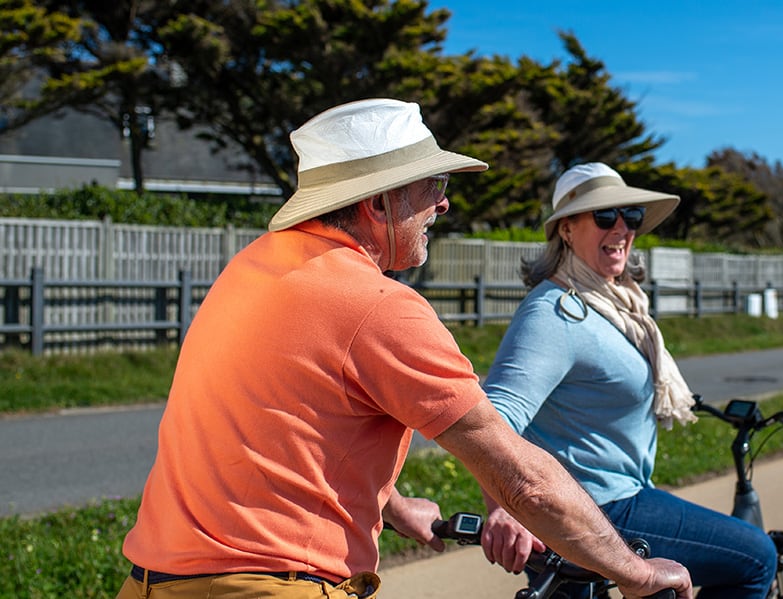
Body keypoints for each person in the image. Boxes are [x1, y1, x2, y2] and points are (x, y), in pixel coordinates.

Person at [114, 100, 692, 599]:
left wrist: (389, 503)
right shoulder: (377, 305)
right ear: (380, 204)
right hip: (270, 584)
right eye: (432, 187)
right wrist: (636, 572)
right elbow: (522, 480)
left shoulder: (252, 268)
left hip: (151, 580)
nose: (443, 205)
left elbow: (277, 426)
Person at [478, 162, 778, 598]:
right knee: (757, 557)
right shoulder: (555, 312)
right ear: (566, 229)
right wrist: (502, 507)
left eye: (631, 216)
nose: (621, 228)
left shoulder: (615, 305)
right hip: (599, 507)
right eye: (604, 216)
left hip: (611, 498)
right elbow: (492, 418)